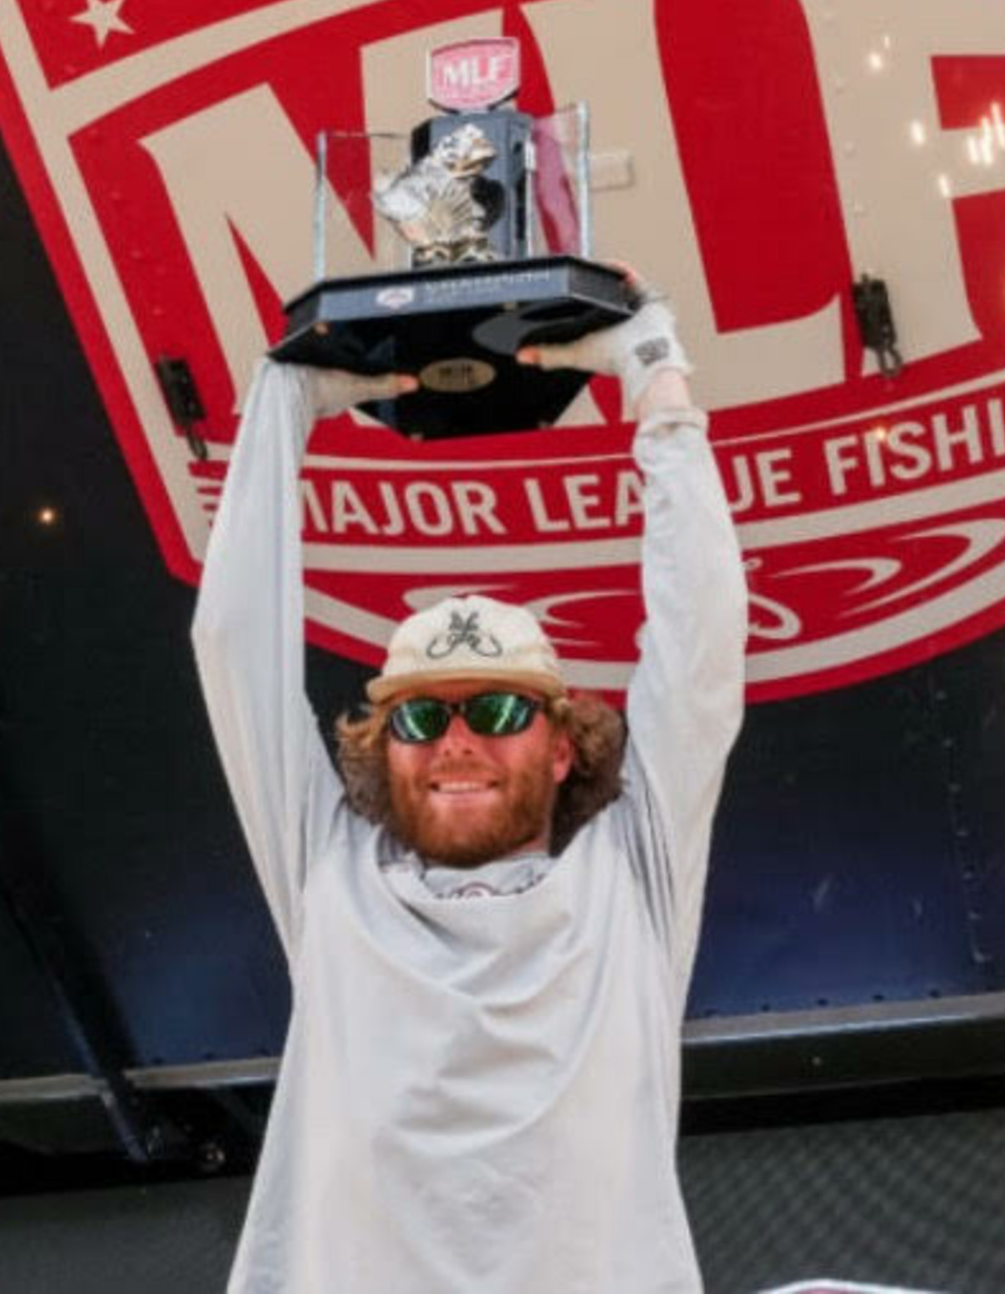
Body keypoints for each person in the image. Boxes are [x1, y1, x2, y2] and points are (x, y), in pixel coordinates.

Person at [191, 275, 748, 1293]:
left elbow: (700, 652)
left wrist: (656, 383)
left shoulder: (631, 878)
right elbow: (232, 643)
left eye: (494, 711)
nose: (454, 742)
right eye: (419, 716)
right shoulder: (329, 874)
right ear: (384, 743)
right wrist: (280, 408)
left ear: (562, 745)